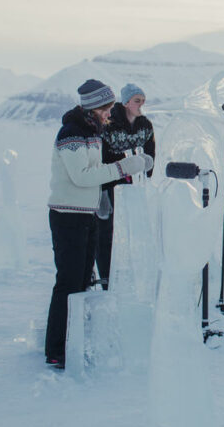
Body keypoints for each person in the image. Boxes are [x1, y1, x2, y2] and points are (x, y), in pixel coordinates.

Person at [44, 79, 153, 369]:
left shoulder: (93, 133)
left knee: (82, 282)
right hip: (68, 217)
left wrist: (126, 171)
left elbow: (96, 172)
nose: (110, 113)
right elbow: (82, 176)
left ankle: (76, 341)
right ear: (94, 108)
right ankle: (57, 349)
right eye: (107, 108)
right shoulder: (72, 134)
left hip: (86, 214)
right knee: (68, 283)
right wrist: (122, 168)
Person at [96, 83, 156, 289]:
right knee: (106, 230)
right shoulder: (110, 124)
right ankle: (105, 276)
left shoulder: (144, 125)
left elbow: (150, 150)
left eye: (143, 101)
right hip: (108, 175)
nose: (141, 104)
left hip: (129, 177)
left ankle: (128, 272)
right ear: (126, 102)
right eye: (137, 100)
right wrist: (103, 191)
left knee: (130, 227)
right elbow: (101, 156)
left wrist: (148, 176)